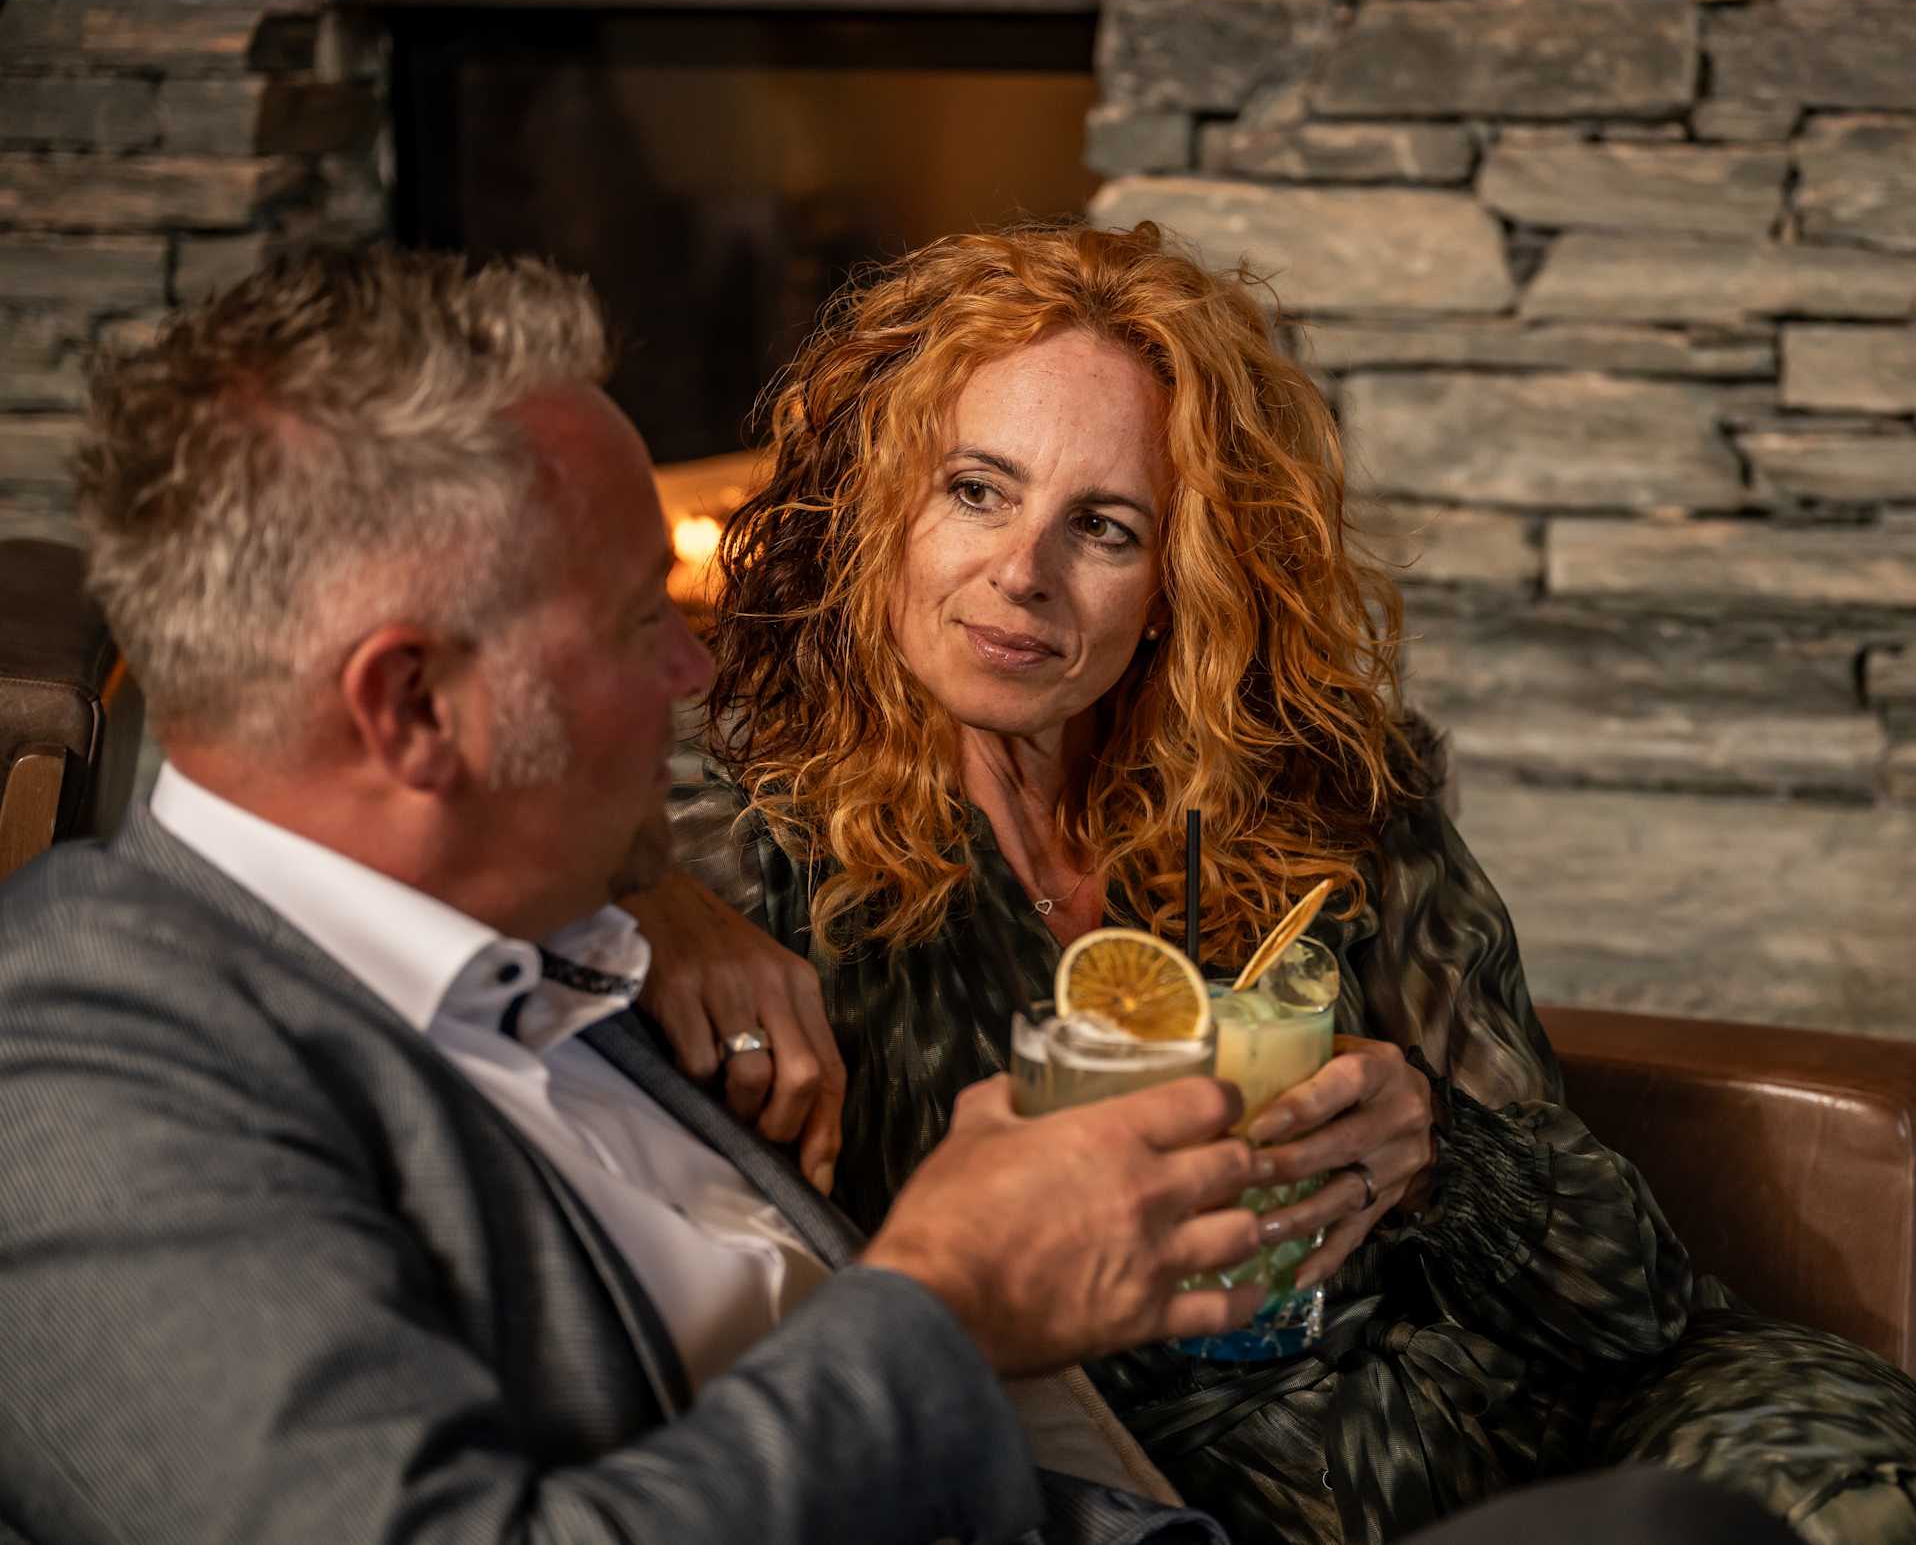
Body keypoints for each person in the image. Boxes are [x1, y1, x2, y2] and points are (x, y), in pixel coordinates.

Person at [632, 221, 1916, 1545]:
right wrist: (652, 892)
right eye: (975, 490)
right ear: (879, 501)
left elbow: (1631, 1299)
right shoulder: (739, 843)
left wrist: (1438, 1151)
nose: (1024, 573)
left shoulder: (1320, 793)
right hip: (1199, 1496)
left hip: (1560, 1421)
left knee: (1856, 1483)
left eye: (1105, 526)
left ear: (1180, 577)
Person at [0, 248, 1282, 1545]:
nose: (692, 672)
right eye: (636, 622)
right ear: (413, 707)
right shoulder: (74, 1087)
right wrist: (946, 1304)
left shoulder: (532, 949)